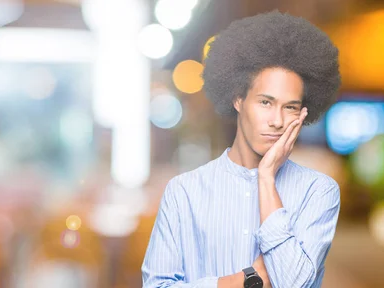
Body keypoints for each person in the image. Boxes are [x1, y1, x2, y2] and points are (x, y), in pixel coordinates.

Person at [142, 10, 341, 288]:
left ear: (302, 115)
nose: (277, 121)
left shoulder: (318, 191)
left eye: (290, 107)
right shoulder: (184, 192)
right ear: (238, 99)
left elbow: (295, 284)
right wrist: (243, 281)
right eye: (265, 102)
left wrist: (266, 177)